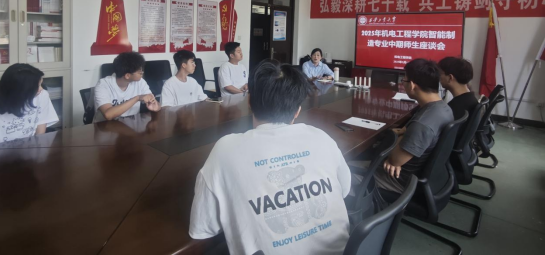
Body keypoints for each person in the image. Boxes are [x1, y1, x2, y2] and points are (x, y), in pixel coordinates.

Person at [190, 61, 352, 255]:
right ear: (298, 110)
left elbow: (203, 227)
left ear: (249, 102)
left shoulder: (225, 150)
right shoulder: (321, 137)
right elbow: (344, 189)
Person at [376, 59, 453, 193]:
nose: (403, 84)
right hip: (426, 177)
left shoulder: (422, 124)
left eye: (404, 80)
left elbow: (394, 160)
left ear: (412, 85)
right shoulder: (444, 108)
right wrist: (405, 134)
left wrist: (396, 136)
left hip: (400, 181)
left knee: (349, 169)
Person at [0, 63, 59, 145]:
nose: (41, 89)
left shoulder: (42, 95)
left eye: (40, 84)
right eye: (36, 87)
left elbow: (40, 131)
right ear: (20, 92)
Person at [93, 52, 160, 123]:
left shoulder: (140, 82)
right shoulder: (103, 84)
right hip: (105, 126)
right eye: (139, 72)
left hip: (130, 125)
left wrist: (156, 106)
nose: (142, 73)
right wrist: (137, 98)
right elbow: (108, 115)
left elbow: (155, 103)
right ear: (127, 75)